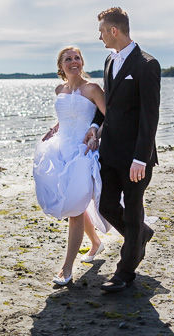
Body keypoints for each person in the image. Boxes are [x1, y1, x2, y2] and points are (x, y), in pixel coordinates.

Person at [84, 7, 161, 292]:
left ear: (114, 30)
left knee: (132, 213)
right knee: (106, 206)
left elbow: (149, 116)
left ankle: (124, 273)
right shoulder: (108, 61)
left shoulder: (147, 64)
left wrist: (141, 158)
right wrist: (94, 126)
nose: (100, 36)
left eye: (102, 30)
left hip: (135, 158)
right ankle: (141, 234)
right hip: (110, 152)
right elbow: (110, 107)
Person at [33, 46, 110, 286]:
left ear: (82, 62)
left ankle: (67, 269)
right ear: (61, 66)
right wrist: (55, 127)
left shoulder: (93, 89)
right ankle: (96, 243)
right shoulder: (60, 89)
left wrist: (96, 133)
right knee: (72, 204)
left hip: (83, 153)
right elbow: (69, 115)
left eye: (77, 58)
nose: (73, 61)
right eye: (68, 59)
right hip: (60, 151)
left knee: (75, 211)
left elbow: (109, 117)